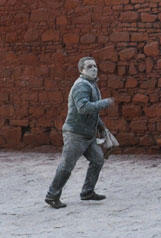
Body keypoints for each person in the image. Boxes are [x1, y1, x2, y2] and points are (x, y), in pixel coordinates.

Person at [45, 56, 114, 208]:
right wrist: (104, 103)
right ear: (82, 70)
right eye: (90, 67)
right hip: (75, 134)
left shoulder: (91, 85)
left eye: (95, 66)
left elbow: (93, 114)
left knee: (98, 160)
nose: (94, 69)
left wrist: (102, 129)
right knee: (67, 165)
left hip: (88, 135)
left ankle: (87, 192)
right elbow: (83, 108)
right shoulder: (82, 85)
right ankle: (52, 195)